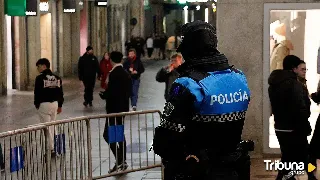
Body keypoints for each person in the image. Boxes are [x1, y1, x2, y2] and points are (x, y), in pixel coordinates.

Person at [152, 20, 252, 180]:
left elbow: (165, 139)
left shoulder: (188, 84)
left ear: (190, 46)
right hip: (235, 168)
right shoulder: (239, 77)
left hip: (199, 170)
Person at [268, 55, 316, 180]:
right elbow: (301, 108)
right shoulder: (295, 85)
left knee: (288, 156)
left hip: (280, 126)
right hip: (295, 127)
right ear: (293, 68)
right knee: (304, 155)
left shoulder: (274, 83)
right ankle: (309, 176)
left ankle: (286, 177)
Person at [102, 51, 131, 173]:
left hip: (113, 109)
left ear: (111, 60)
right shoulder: (125, 73)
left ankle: (120, 159)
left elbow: (112, 92)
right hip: (122, 108)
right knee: (119, 134)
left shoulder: (113, 74)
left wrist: (105, 95)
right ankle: (122, 162)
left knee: (107, 134)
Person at [34, 58, 64, 156]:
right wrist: (60, 105)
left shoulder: (39, 78)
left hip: (44, 105)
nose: (38, 69)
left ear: (44, 66)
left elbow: (37, 93)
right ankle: (55, 146)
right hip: (54, 104)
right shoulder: (57, 78)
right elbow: (60, 92)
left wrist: (36, 104)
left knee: (46, 128)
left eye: (38, 67)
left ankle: (51, 149)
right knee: (52, 126)